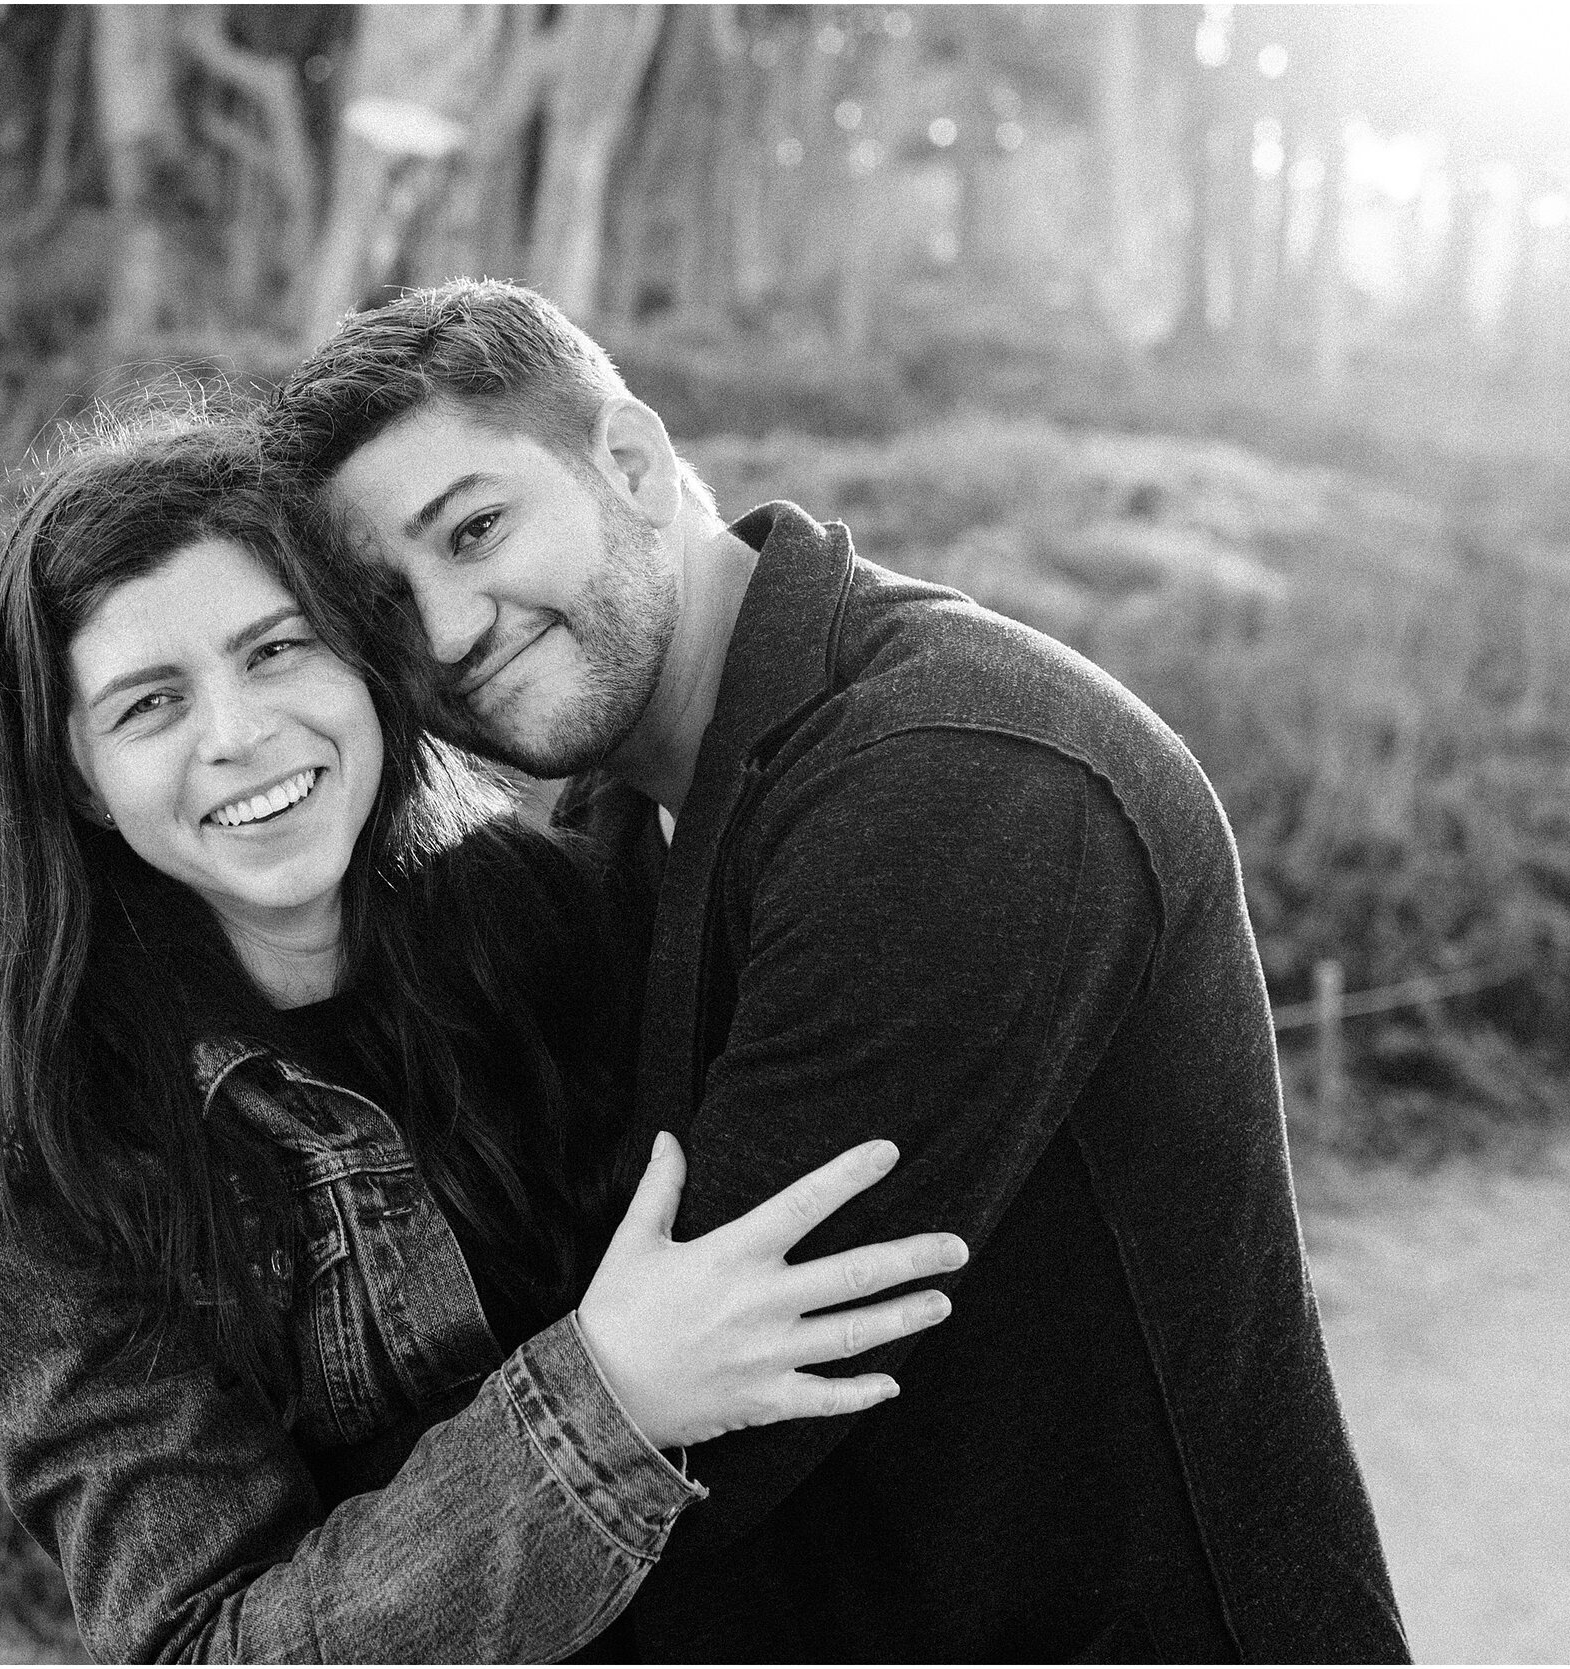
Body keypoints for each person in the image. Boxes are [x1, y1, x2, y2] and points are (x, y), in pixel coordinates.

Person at [263, 279, 1413, 1663]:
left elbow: (701, 1441)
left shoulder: (950, 780)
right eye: (388, 603)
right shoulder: (622, 828)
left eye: (479, 528)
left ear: (628, 460)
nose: (447, 631)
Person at [0, 407, 971, 1662]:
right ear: (81, 778)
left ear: (366, 662)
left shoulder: (574, 925)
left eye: (276, 650)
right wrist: (607, 1399)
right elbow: (198, 1646)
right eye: (150, 705)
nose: (238, 734)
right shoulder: (58, 1170)